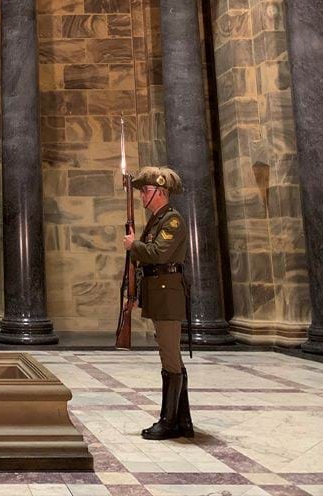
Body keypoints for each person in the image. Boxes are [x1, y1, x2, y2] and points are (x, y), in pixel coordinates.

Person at [122, 166, 193, 440]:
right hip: (160, 294)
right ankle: (182, 420)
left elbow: (158, 254)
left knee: (170, 359)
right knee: (171, 357)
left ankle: (169, 422)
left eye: (146, 191)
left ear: (160, 193)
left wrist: (133, 246)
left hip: (167, 295)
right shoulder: (156, 220)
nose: (141, 195)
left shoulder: (172, 221)